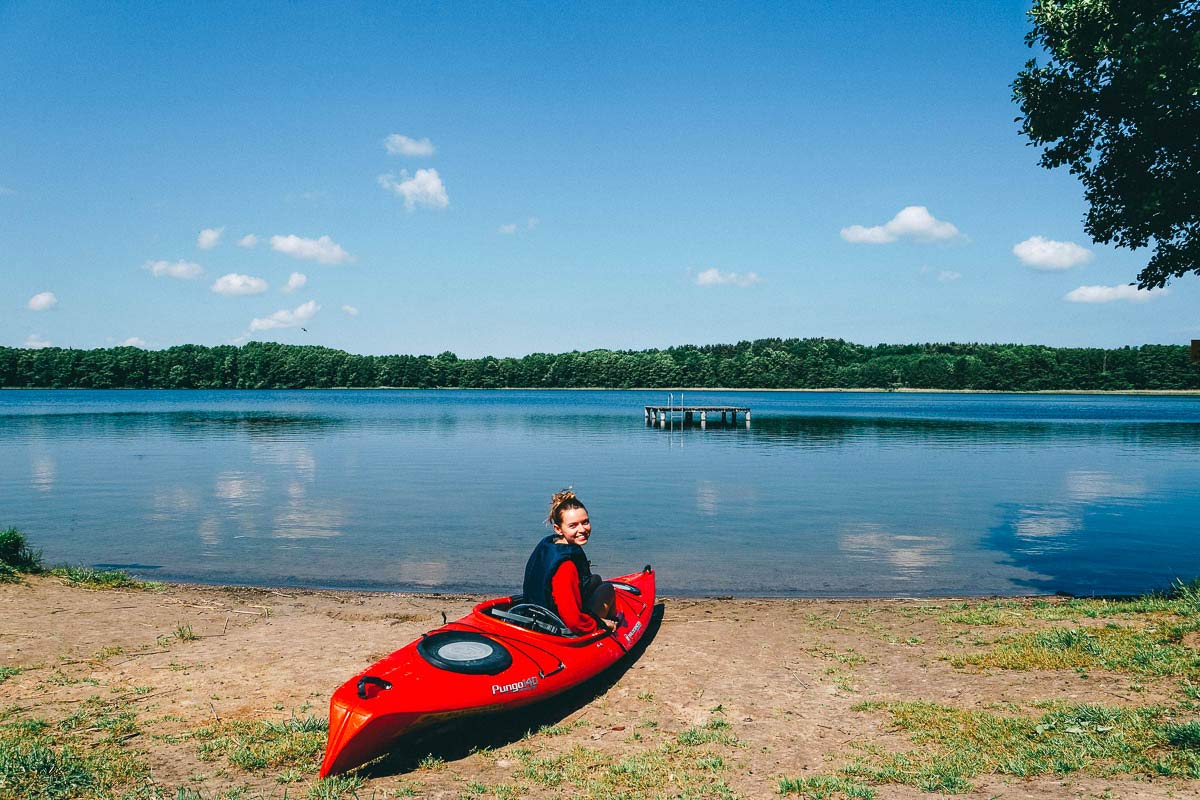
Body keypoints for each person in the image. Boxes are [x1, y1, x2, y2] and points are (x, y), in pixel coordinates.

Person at [522, 489, 618, 634]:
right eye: (573, 525)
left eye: (585, 522)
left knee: (596, 579)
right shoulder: (566, 566)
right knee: (607, 589)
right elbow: (574, 622)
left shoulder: (549, 544)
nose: (582, 529)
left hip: (539, 612)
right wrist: (599, 624)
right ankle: (612, 626)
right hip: (557, 626)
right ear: (558, 529)